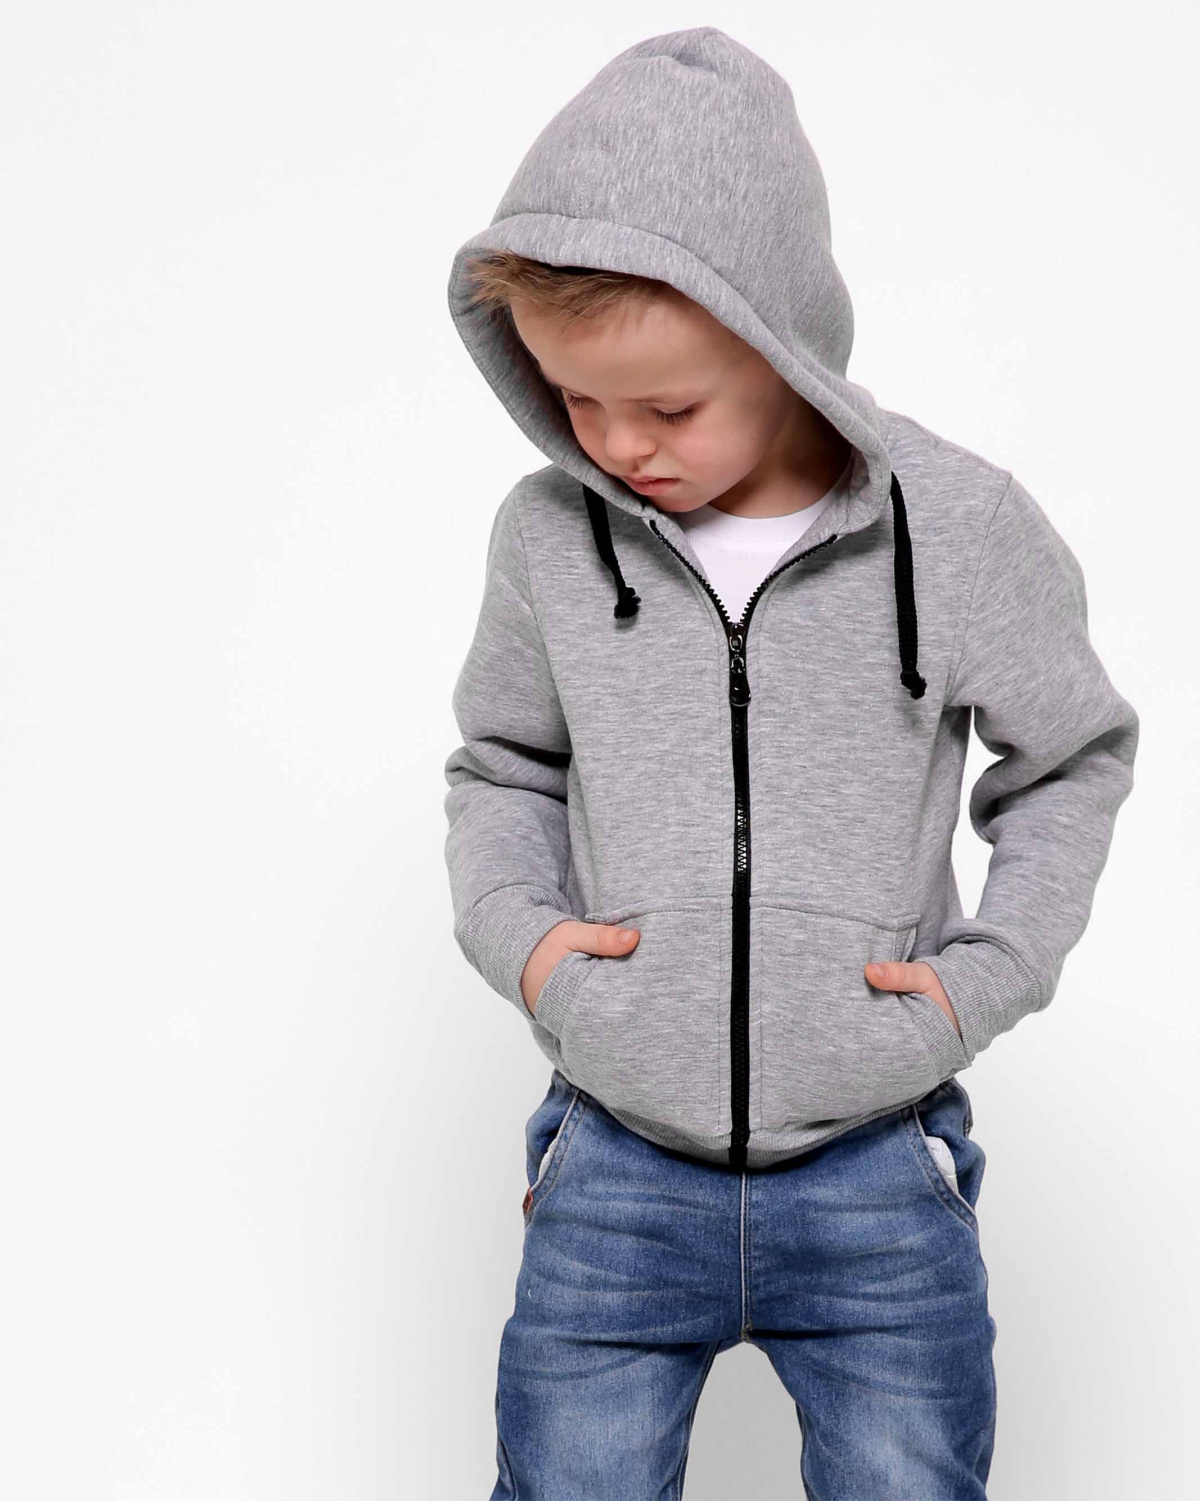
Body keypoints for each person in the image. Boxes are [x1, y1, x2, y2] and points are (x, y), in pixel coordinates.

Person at [442, 26, 1139, 1500]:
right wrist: (530, 946)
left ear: (782, 340)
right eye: (574, 401)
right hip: (616, 1165)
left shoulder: (959, 528)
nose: (617, 446)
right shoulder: (547, 540)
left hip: (879, 1169)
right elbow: (502, 762)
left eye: (668, 407)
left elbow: (1072, 756)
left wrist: (987, 974)